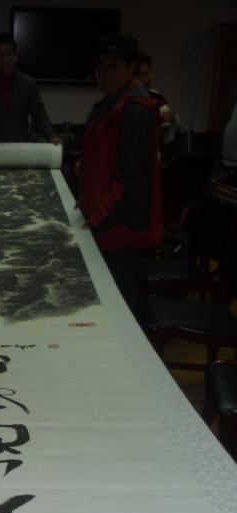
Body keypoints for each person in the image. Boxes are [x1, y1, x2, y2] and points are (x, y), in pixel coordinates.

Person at [77, 33, 163, 312]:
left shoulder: (136, 113)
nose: (105, 74)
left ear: (131, 66)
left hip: (117, 228)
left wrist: (97, 221)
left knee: (116, 301)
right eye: (100, 67)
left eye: (113, 66)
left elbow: (131, 183)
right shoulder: (105, 107)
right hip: (100, 218)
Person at [137, 51, 180, 146]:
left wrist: (172, 118)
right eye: (145, 74)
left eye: (150, 72)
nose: (150, 77)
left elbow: (172, 125)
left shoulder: (156, 96)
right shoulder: (121, 102)